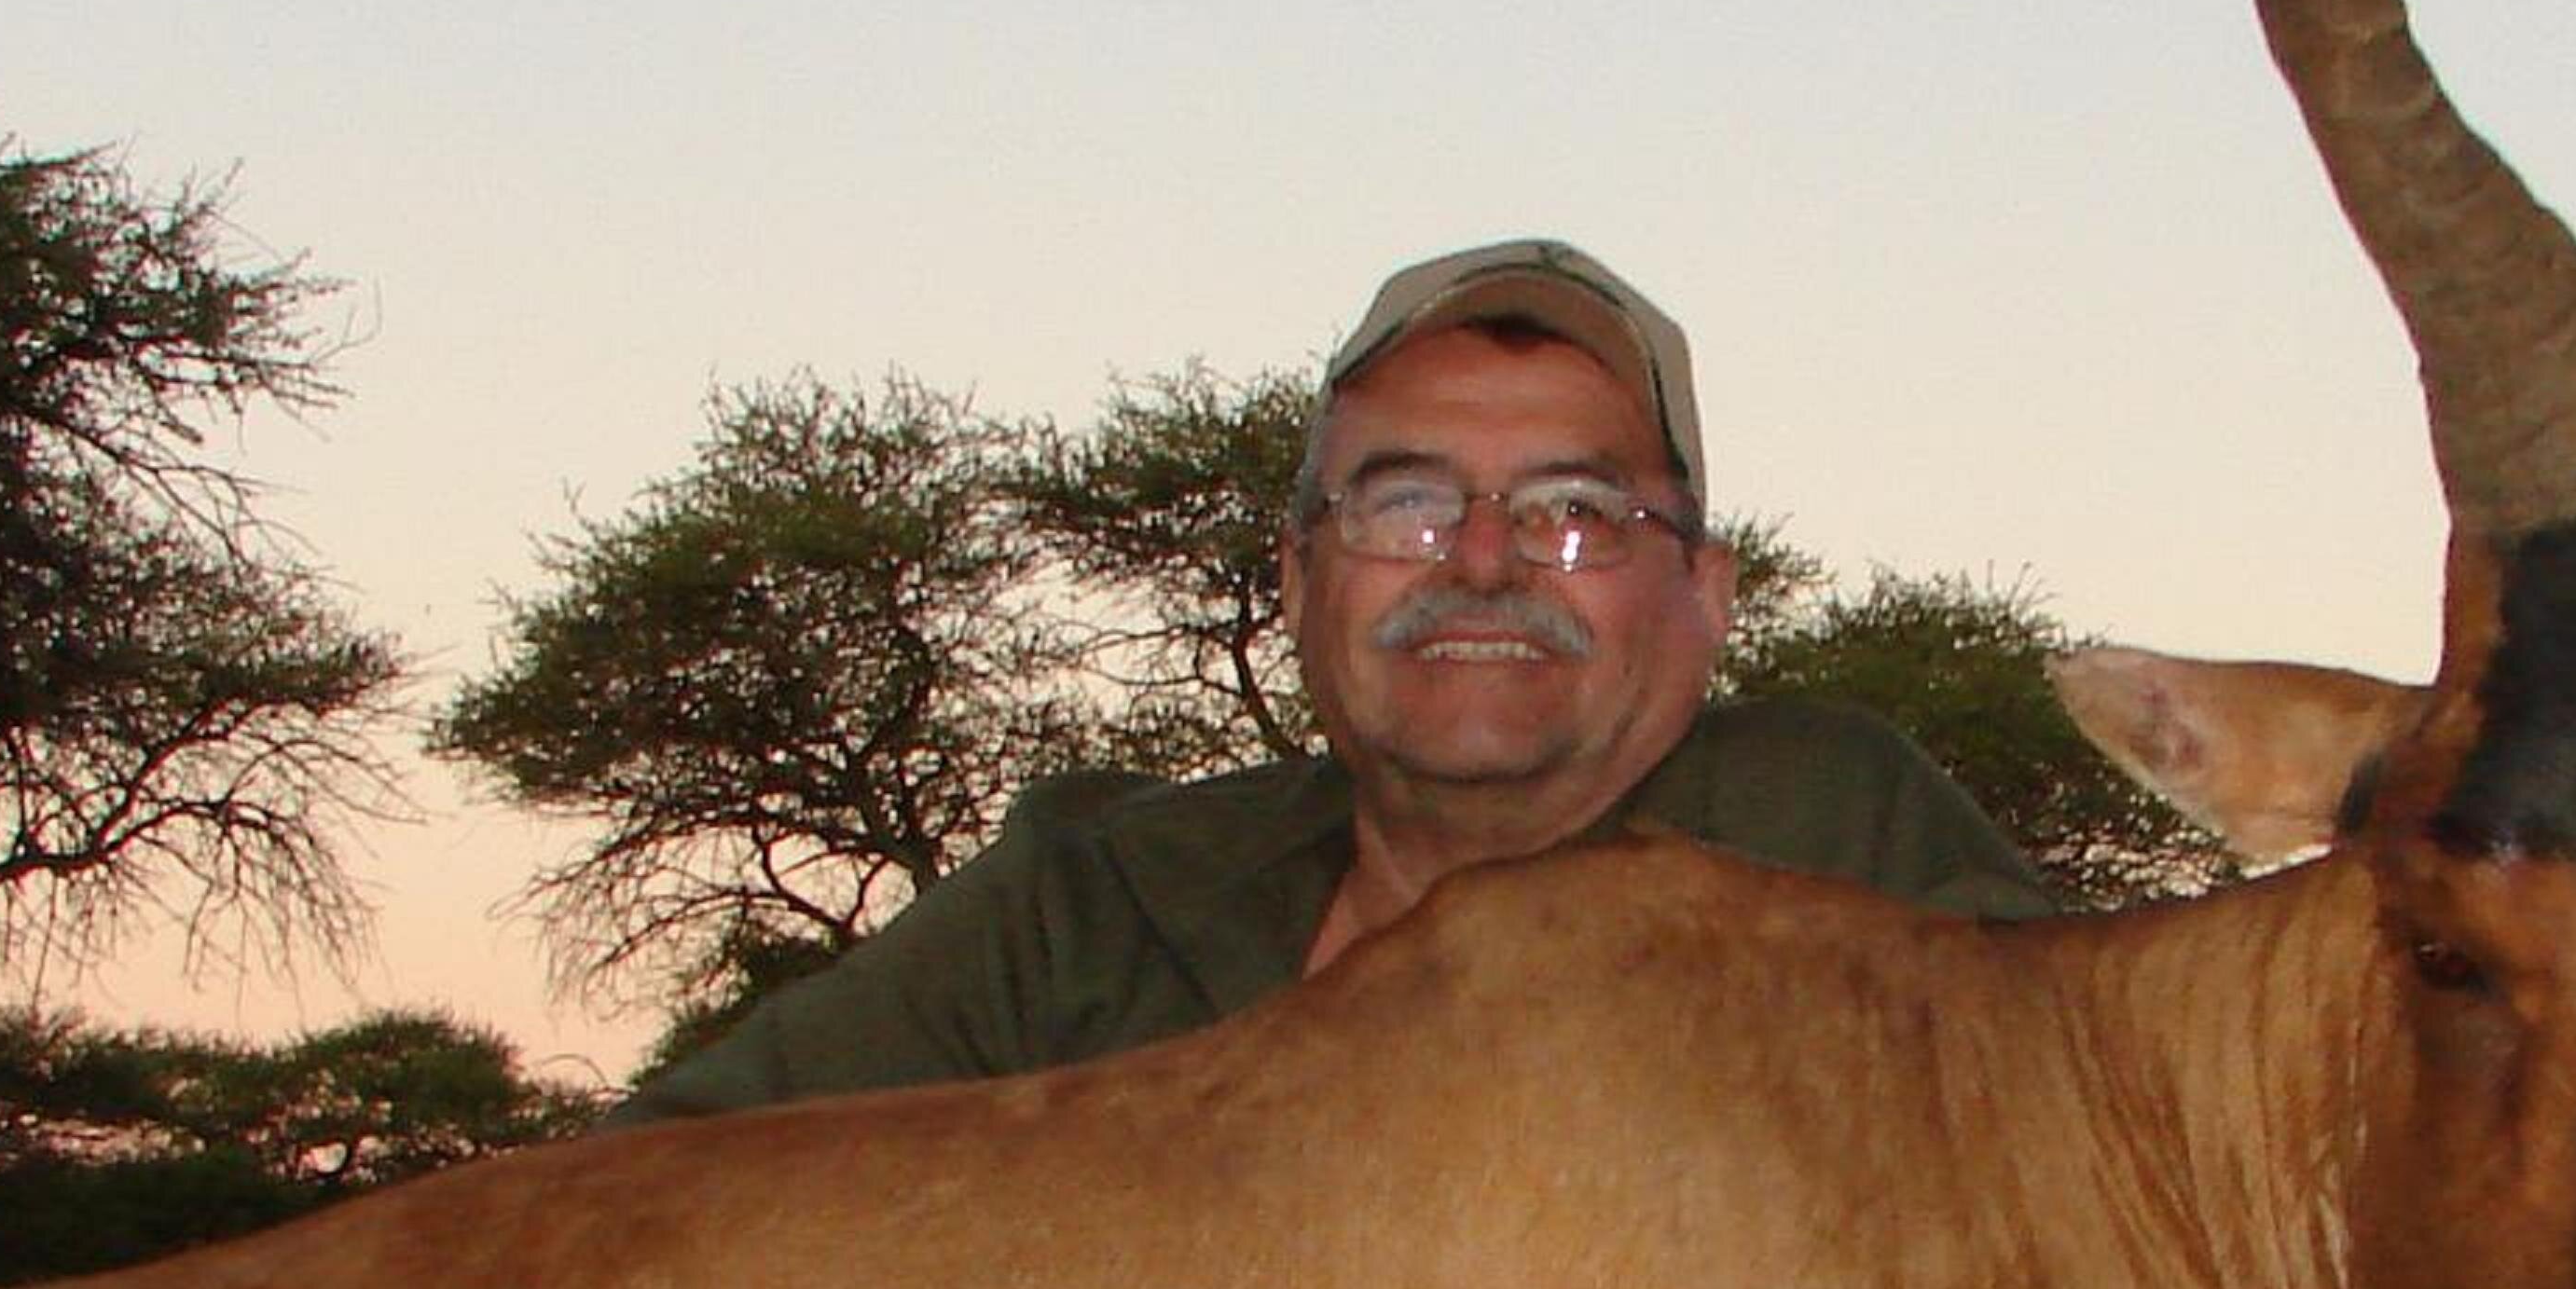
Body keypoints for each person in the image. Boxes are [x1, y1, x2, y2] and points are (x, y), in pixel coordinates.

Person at [637, 239, 2055, 1113]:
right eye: (1408, 506)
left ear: (1706, 595)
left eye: (1576, 510)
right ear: (1301, 582)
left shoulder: (1848, 838)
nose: (1487, 562)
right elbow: (665, 1201)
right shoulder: (1096, 907)